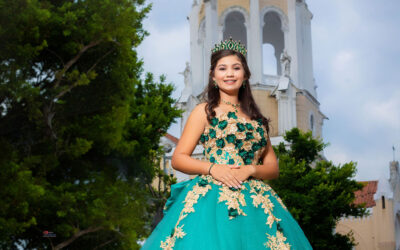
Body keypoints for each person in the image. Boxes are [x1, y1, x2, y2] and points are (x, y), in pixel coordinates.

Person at [141, 38, 312, 250]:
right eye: (222, 68)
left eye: (236, 68)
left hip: (256, 203)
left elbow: (273, 168)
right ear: (213, 76)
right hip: (212, 200)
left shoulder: (257, 119)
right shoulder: (204, 111)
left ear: (245, 75)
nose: (229, 74)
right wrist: (214, 168)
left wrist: (250, 169)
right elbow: (179, 158)